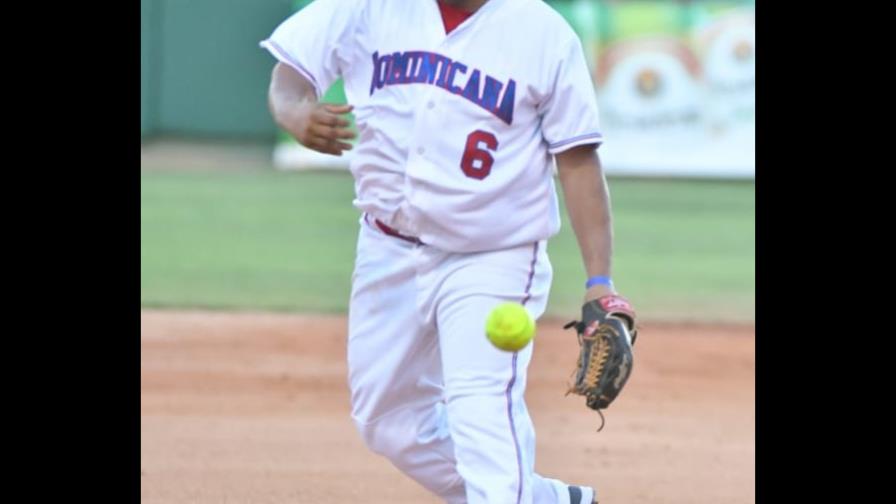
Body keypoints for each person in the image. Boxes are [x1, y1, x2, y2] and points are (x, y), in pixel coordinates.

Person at [262, 1, 635, 502]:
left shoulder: (542, 33)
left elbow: (578, 161)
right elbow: (292, 72)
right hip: (386, 247)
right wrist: (293, 111)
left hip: (493, 257)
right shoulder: (369, 7)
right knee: (386, 422)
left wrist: (599, 284)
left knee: (482, 416)